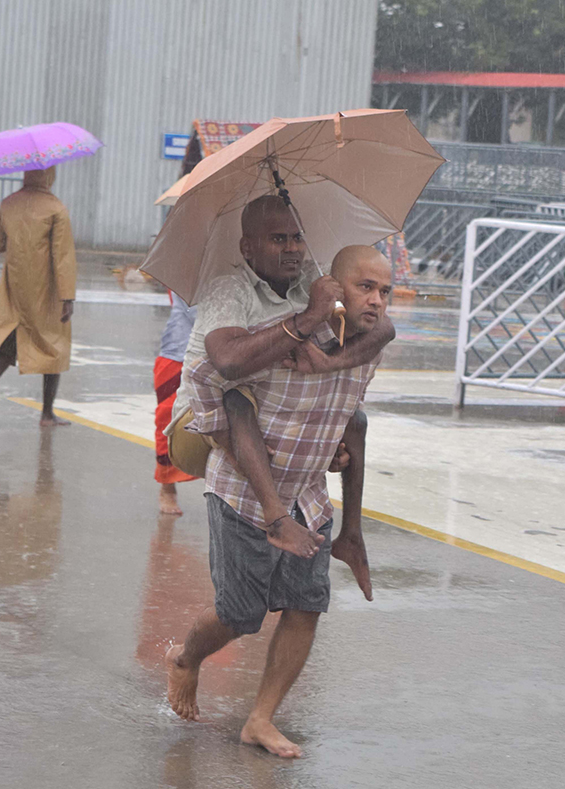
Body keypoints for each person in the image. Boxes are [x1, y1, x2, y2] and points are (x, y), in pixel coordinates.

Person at [165, 243, 392, 759]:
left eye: (385, 291)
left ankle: (260, 719)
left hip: (307, 494)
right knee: (240, 613)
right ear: (334, 288)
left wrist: (349, 530)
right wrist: (273, 515)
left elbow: (354, 417)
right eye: (365, 287)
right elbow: (224, 396)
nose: (377, 300)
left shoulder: (364, 345)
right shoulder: (281, 333)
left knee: (306, 605)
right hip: (244, 492)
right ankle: (186, 658)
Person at [165, 195, 395, 562]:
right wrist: (307, 319)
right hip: (201, 425)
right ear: (247, 247)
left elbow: (382, 329)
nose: (292, 249)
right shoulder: (228, 287)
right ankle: (276, 518)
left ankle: (351, 534)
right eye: (277, 239)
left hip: (264, 419)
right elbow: (228, 363)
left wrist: (328, 366)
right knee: (240, 395)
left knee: (353, 415)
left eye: (297, 238)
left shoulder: (310, 280)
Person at [0, 167, 75, 427]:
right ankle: (47, 414)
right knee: (53, 347)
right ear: (49, 176)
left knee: (7, 346)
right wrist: (67, 297)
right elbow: (62, 257)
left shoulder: (9, 204)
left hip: (13, 288)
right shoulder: (55, 208)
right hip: (45, 290)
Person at [153, 291, 198, 515]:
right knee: (168, 421)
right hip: (178, 352)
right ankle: (167, 487)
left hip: (225, 349)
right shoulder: (183, 262)